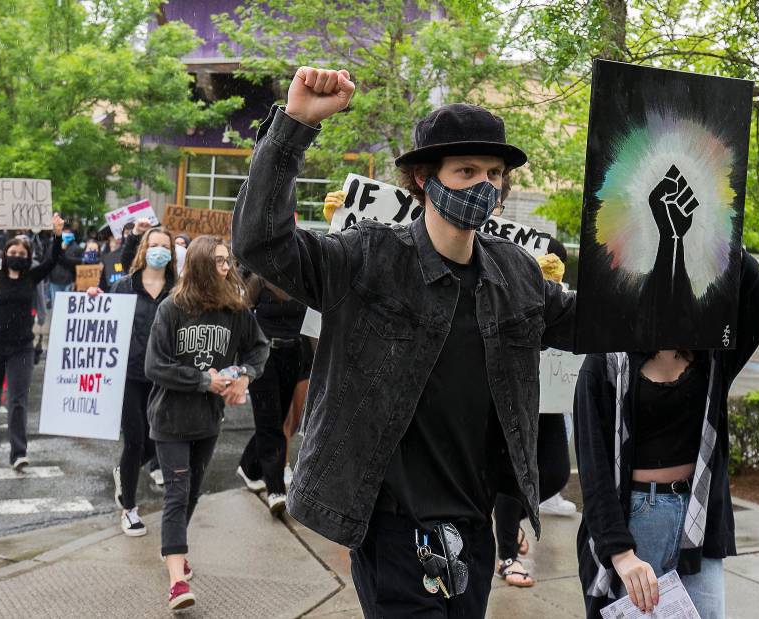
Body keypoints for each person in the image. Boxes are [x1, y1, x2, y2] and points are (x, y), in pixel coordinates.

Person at [232, 67, 575, 617]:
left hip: (473, 527)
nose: (484, 185)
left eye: (493, 173)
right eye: (465, 171)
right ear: (423, 178)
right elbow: (259, 243)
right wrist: (294, 124)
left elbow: (601, 321)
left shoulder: (517, 274)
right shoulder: (366, 258)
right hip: (392, 529)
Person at [574, 250, 759, 619]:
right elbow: (594, 468)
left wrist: (721, 237)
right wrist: (620, 553)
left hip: (697, 520)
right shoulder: (606, 360)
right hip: (636, 520)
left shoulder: (711, 355)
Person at [144, 235, 268, 611]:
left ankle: (176, 550)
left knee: (193, 492)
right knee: (177, 492)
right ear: (199, 265)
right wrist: (203, 381)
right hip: (169, 418)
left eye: (227, 260)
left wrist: (244, 375)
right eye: (218, 261)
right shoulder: (171, 309)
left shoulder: (235, 310)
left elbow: (259, 348)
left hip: (208, 420)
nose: (226, 267)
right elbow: (155, 366)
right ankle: (177, 584)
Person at [492, 243, 574, 589]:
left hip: (549, 397)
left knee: (554, 473)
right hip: (514, 394)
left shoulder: (560, 297)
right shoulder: (505, 281)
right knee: (513, 475)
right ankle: (507, 554)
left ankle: (510, 520)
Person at [86, 226, 177, 537]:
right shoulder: (125, 287)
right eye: (154, 245)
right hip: (129, 375)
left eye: (165, 246)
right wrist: (95, 301)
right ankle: (129, 507)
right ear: (144, 249)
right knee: (136, 439)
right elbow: (105, 323)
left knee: (156, 440)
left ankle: (123, 474)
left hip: (164, 378)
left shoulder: (179, 291)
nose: (159, 251)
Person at [0, 206, 65, 469]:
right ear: (5, 255)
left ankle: (19, 452)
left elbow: (53, 260)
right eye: (12, 253)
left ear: (28, 257)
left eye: (22, 254)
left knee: (18, 401)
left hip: (22, 347)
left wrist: (57, 234)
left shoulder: (32, 278)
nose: (17, 256)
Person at [236, 273, 307, 516]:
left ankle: (248, 466)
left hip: (293, 354)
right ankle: (275, 490)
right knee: (270, 424)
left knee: (275, 421)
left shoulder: (302, 277)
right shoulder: (258, 279)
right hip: (263, 356)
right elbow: (241, 315)